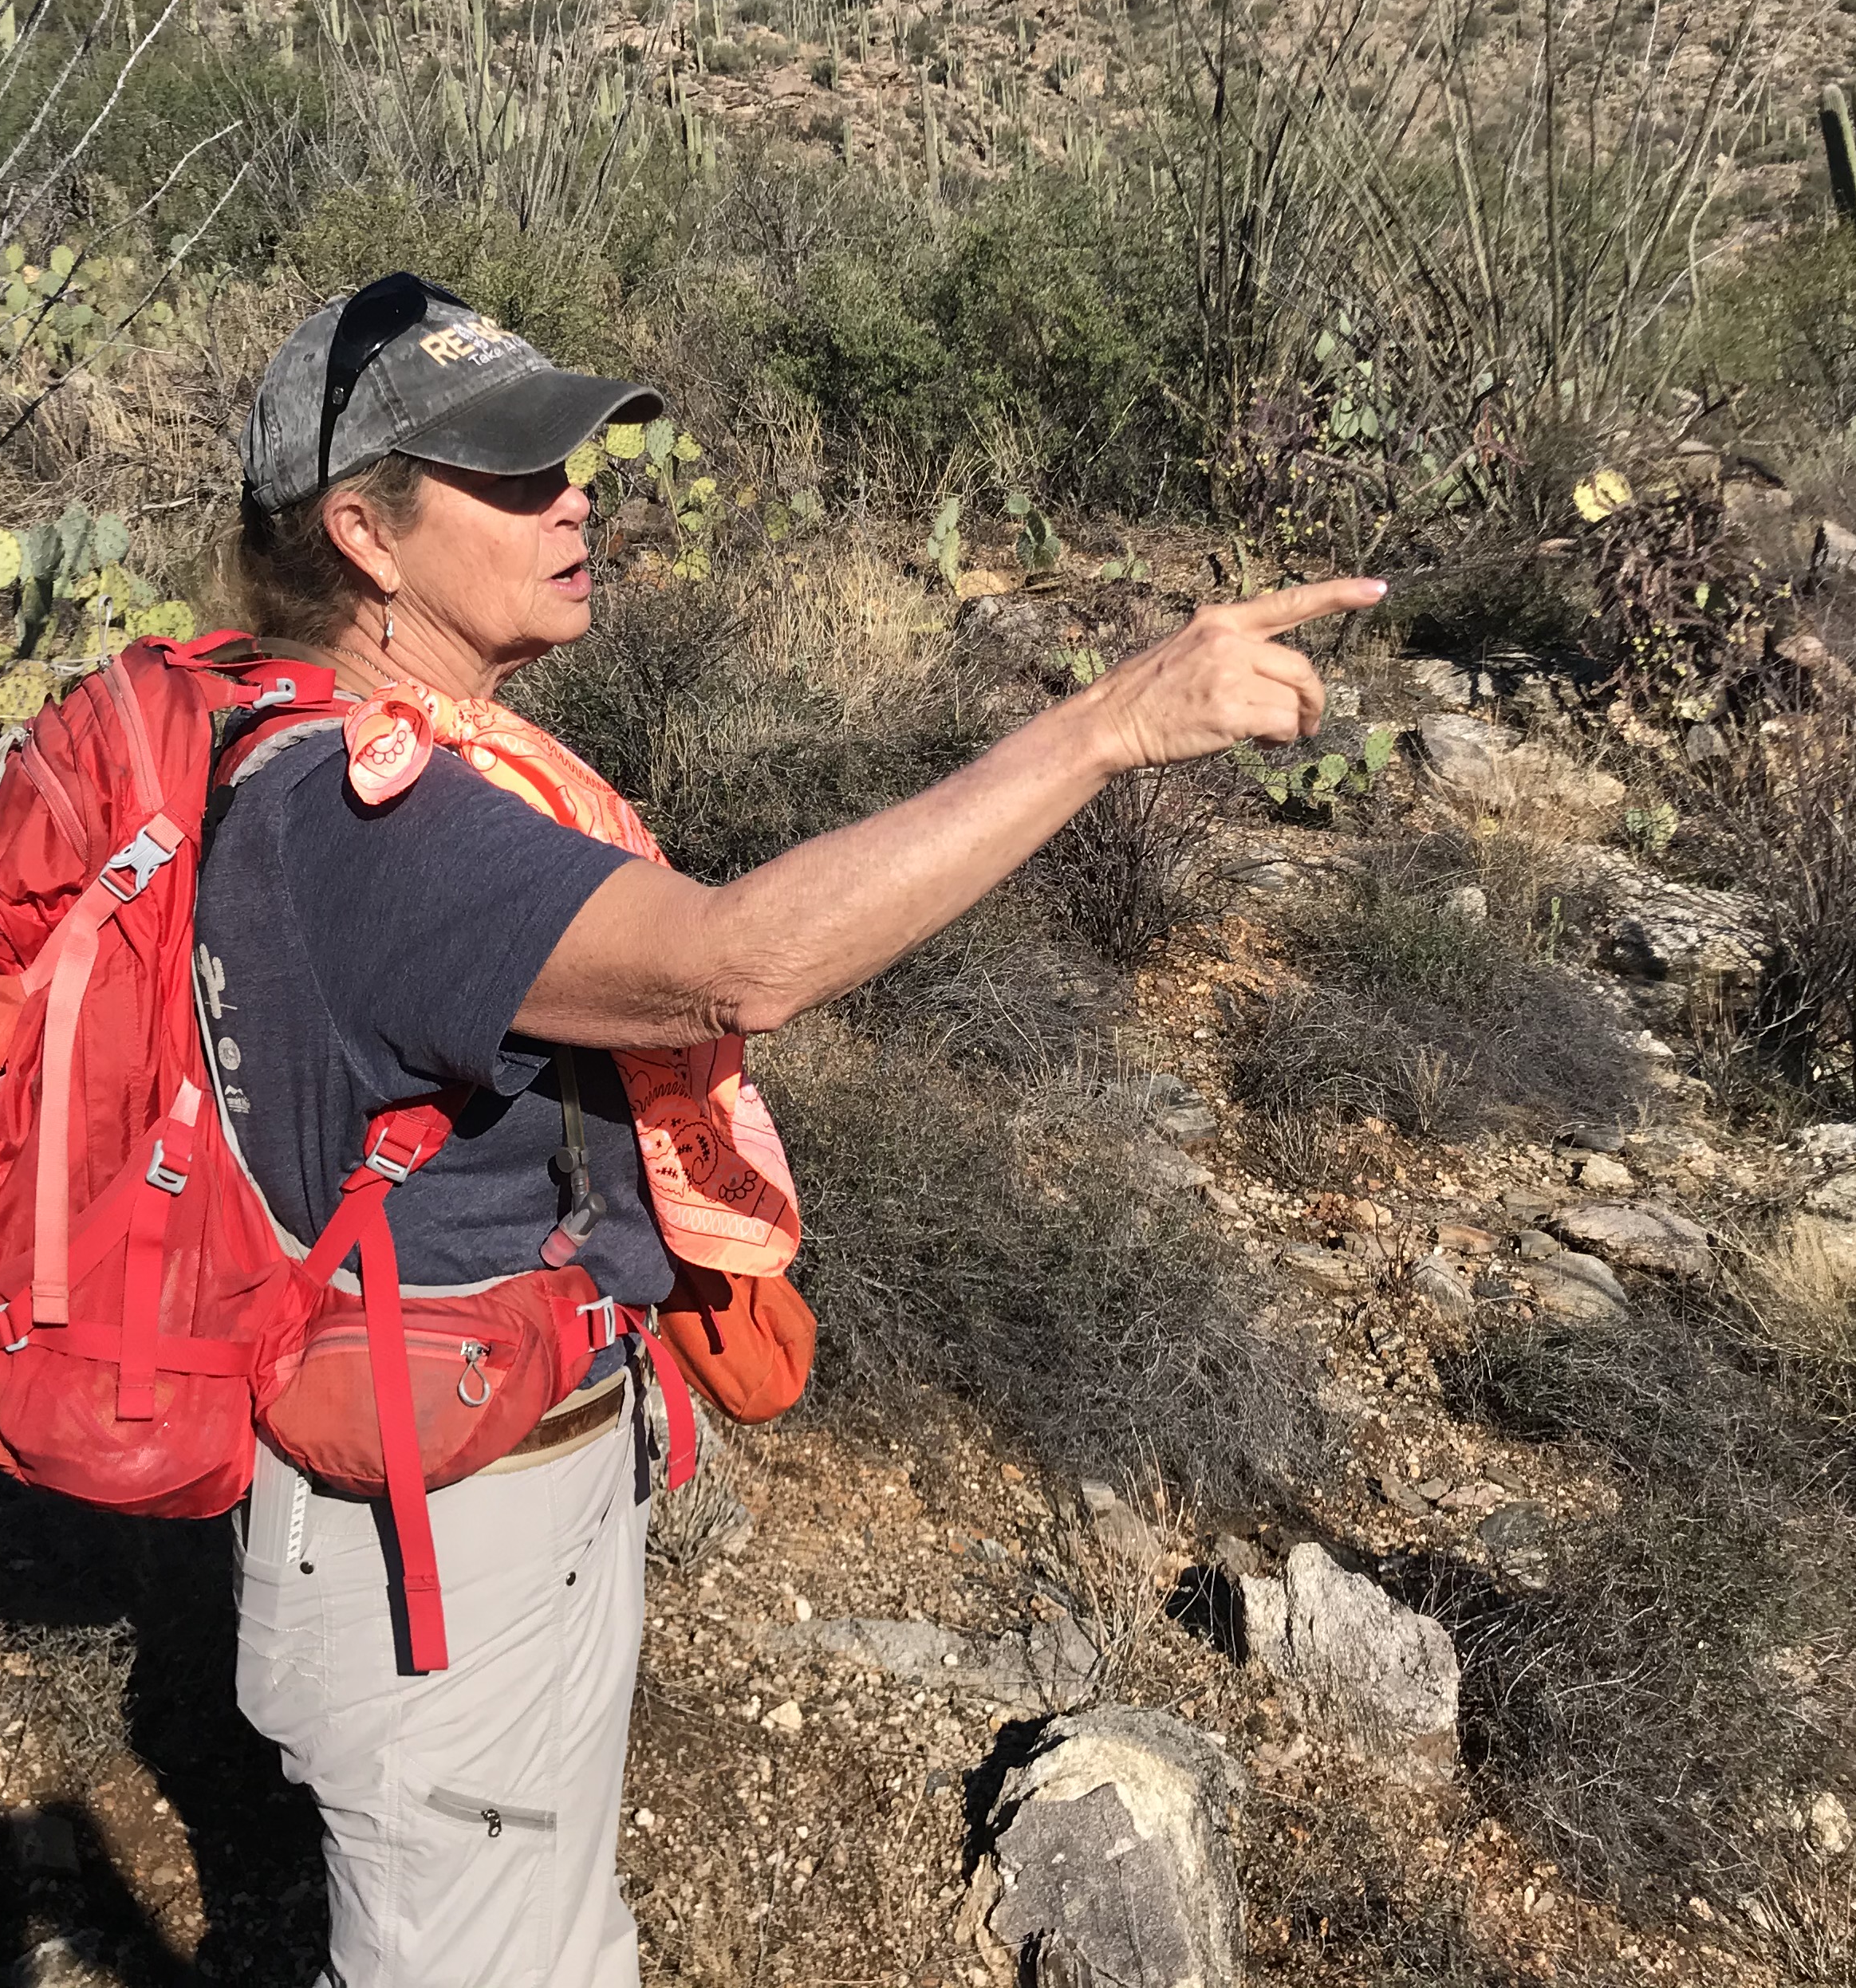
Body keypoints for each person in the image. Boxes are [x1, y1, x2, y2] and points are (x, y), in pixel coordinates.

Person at [199, 271, 1381, 1987]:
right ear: (366, 537)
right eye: (516, 474)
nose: (576, 495)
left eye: (574, 460)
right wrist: (1111, 726)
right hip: (433, 1548)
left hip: (451, 1482)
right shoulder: (391, 825)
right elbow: (736, 964)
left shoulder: (329, 747)